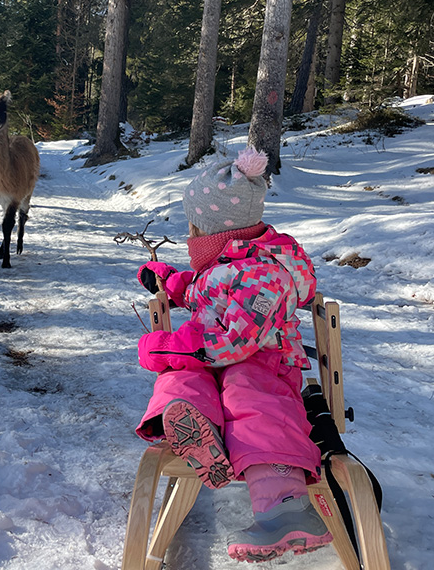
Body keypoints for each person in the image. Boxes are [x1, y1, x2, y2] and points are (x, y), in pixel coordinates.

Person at [134, 147, 333, 562]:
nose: (189, 239)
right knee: (180, 377)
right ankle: (192, 427)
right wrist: (170, 281)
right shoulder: (225, 264)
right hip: (217, 362)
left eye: (192, 230)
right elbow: (201, 293)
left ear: (214, 232)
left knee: (248, 393)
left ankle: (288, 508)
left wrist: (177, 345)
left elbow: (237, 343)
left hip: (263, 363)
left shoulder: (265, 274)